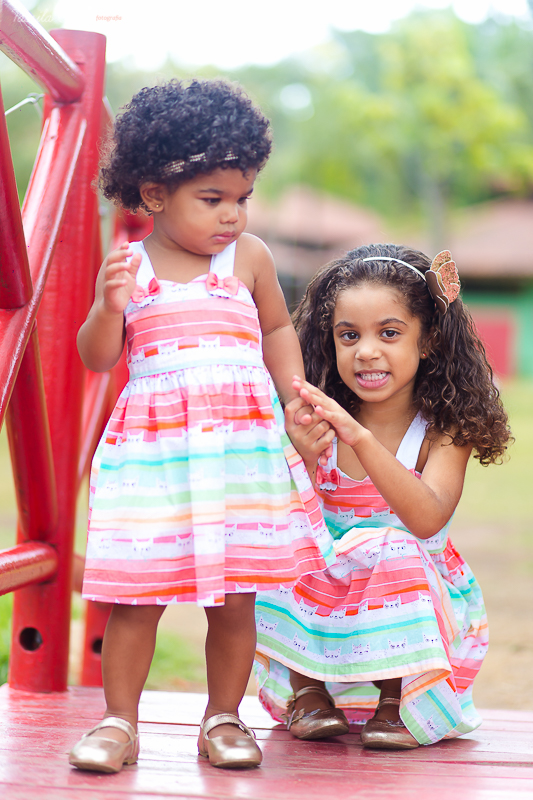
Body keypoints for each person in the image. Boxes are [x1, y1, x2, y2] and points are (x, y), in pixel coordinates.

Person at [69, 79, 334, 774]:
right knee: (136, 595)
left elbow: (276, 326)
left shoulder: (248, 261)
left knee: (236, 596)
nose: (232, 217)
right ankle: (118, 721)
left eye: (241, 198)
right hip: (156, 453)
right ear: (153, 193)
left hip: (239, 450)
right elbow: (99, 358)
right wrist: (106, 309)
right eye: (212, 200)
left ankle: (223, 717)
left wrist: (293, 394)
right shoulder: (131, 268)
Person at [254, 243, 511, 750]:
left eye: (388, 333)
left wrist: (362, 440)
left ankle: (398, 699)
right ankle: (307, 691)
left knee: (391, 548)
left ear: (429, 340)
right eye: (349, 335)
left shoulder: (442, 430)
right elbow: (283, 507)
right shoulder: (316, 419)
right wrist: (302, 456)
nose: (366, 351)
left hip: (413, 592)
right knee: (281, 543)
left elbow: (427, 518)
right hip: (330, 590)